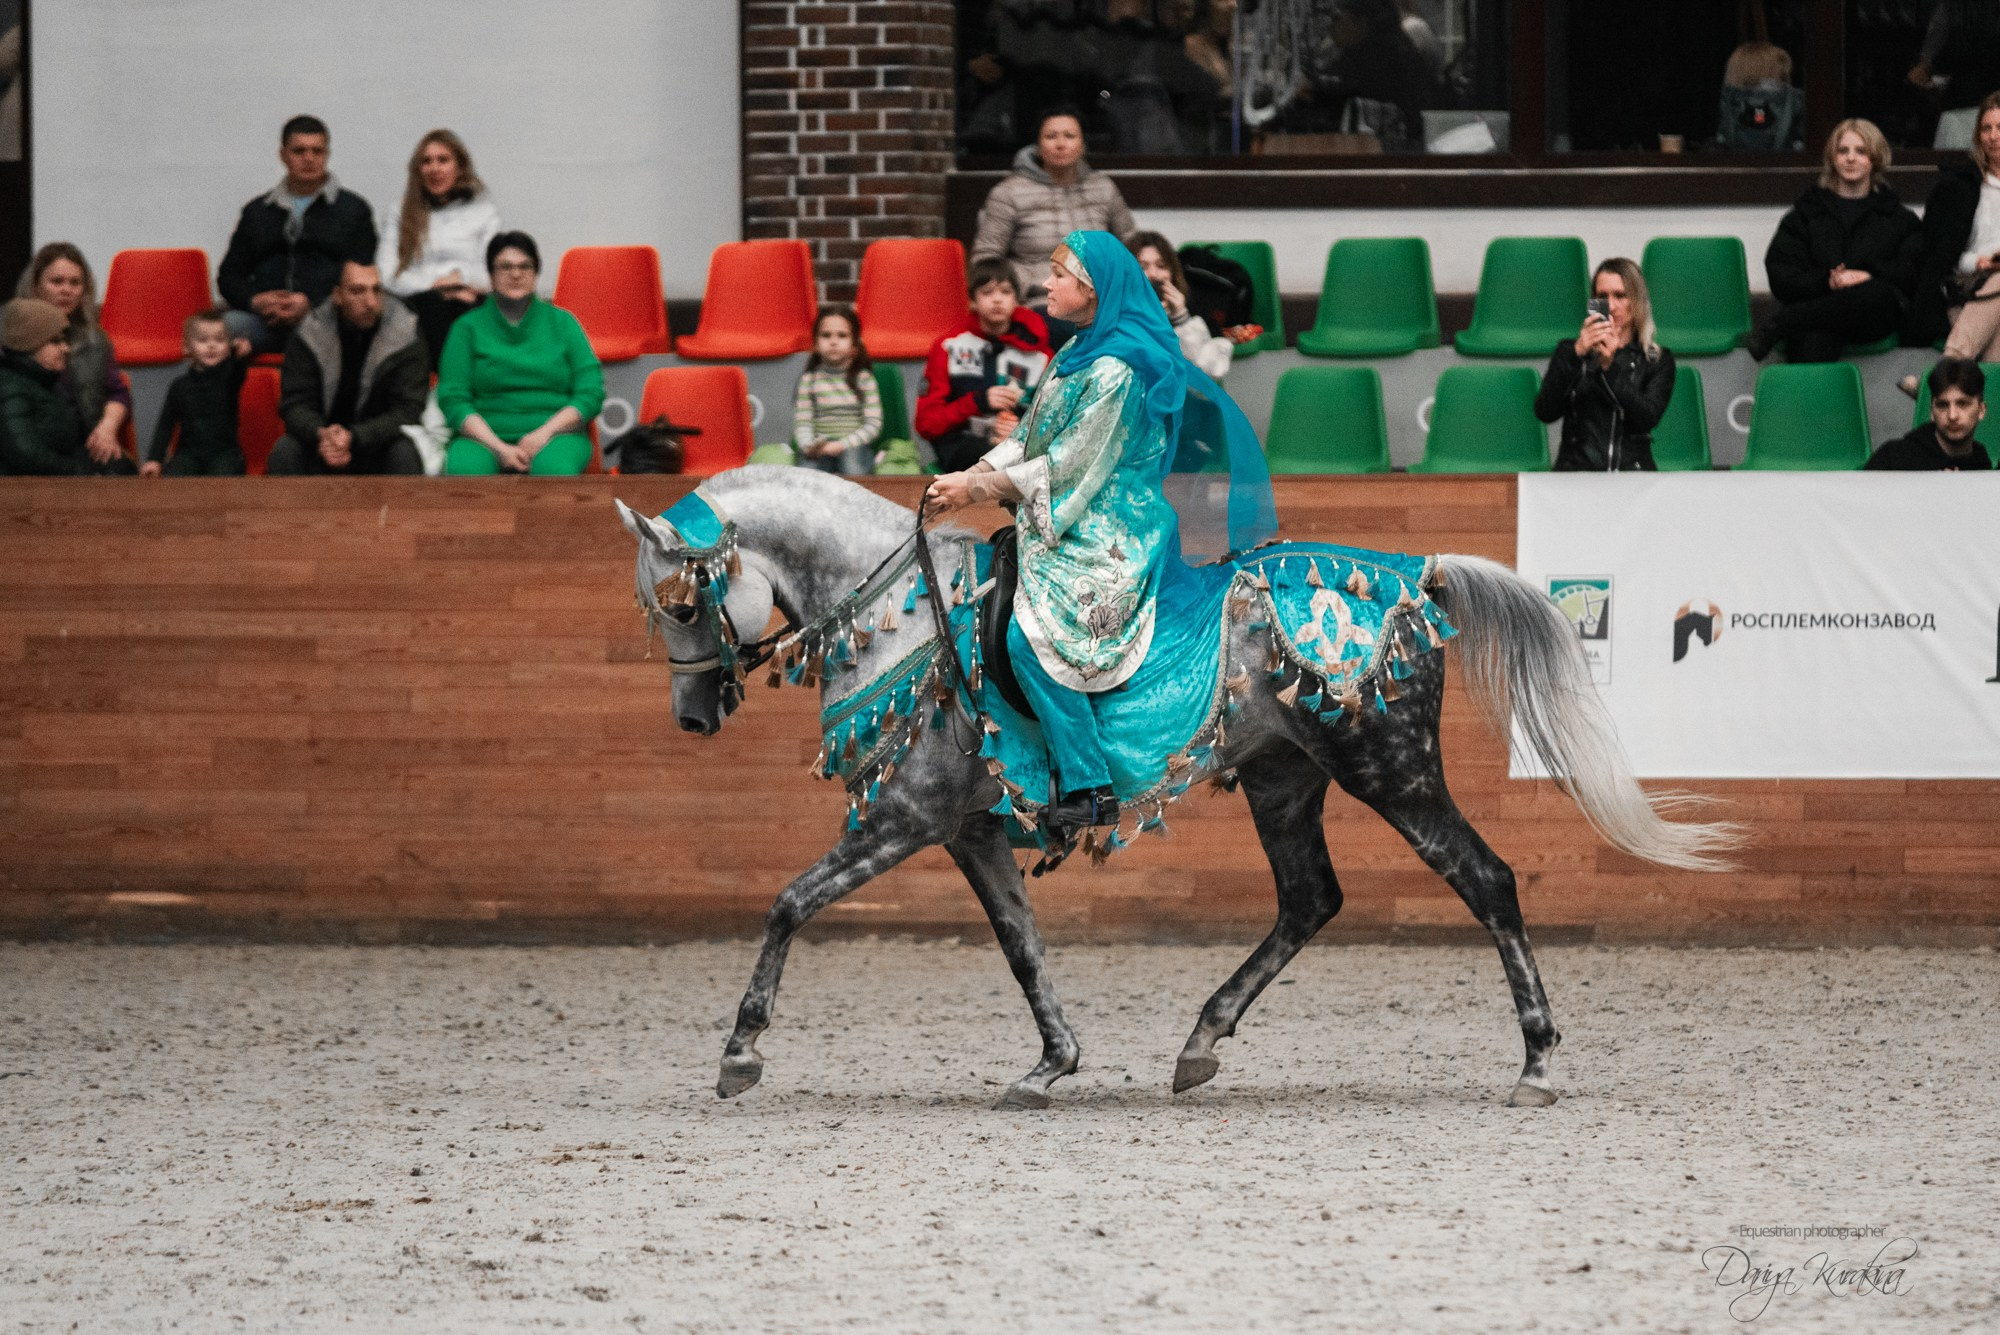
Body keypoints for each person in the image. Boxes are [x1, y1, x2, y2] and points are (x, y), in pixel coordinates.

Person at [922, 232, 1276, 840]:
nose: (1046, 286)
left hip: (1111, 524)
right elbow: (1032, 437)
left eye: (1058, 276)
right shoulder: (1078, 351)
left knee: (1030, 639)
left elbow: (1069, 466)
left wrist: (977, 493)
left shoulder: (1115, 368)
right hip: (1076, 510)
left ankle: (1088, 787)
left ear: (1093, 288)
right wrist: (970, 473)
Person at [1748, 119, 1921, 364]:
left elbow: (1912, 271)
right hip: (1819, 315)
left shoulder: (1899, 218)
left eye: (1861, 151)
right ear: (1833, 157)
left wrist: (1867, 275)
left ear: (1876, 158)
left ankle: (1786, 320)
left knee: (1878, 293)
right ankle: (1814, 402)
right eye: (1843, 151)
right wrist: (1827, 282)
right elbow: (1781, 273)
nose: (1851, 158)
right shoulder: (1806, 214)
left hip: (1871, 317)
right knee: (1813, 336)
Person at [437, 232, 603, 476]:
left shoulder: (563, 323)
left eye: (525, 266)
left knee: (554, 470)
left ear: (536, 273)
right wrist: (498, 448)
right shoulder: (466, 327)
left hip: (556, 435)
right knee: (464, 472)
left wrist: (542, 435)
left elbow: (591, 393)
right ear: (490, 274)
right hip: (482, 437)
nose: (516, 274)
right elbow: (453, 399)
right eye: (505, 267)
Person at [217, 115, 378, 353]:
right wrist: (256, 301)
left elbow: (364, 275)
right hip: (265, 320)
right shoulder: (258, 211)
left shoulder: (353, 210)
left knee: (359, 328)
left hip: (328, 321)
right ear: (283, 155)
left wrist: (311, 303)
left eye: (317, 151)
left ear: (327, 155)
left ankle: (289, 347)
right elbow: (229, 276)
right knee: (219, 330)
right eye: (299, 151)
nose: (309, 158)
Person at [265, 262, 427, 476]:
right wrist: (322, 434)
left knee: (404, 453)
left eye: (376, 290)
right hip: (320, 444)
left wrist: (355, 437)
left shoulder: (405, 333)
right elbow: (295, 404)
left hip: (377, 443)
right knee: (285, 451)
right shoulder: (310, 333)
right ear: (338, 295)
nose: (370, 302)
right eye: (357, 291)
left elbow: (408, 409)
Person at [971, 108, 1136, 308]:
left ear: (1083, 145)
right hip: (1039, 299)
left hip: (1099, 297)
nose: (1060, 144)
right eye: (1051, 137)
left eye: (1069, 136)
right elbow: (986, 258)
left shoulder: (1102, 187)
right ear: (1038, 147)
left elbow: (1132, 245)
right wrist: (1010, 294)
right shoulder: (1009, 192)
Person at [914, 257, 1056, 473]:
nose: (997, 300)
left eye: (1006, 292)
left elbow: (1053, 416)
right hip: (964, 448)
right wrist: (978, 401)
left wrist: (1018, 430)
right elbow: (927, 423)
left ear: (1017, 299)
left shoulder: (1039, 353)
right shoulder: (949, 347)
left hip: (1018, 446)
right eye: (987, 292)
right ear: (972, 300)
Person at [1534, 259, 1676, 472]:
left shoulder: (1655, 359)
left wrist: (1611, 367)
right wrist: (1576, 354)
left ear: (1637, 299)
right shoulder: (1570, 351)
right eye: (1602, 297)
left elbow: (1645, 419)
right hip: (1575, 475)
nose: (1612, 305)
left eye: (1620, 295)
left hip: (1631, 476)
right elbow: (1546, 411)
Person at [377, 128, 501, 368]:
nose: (435, 169)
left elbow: (493, 272)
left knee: (468, 310)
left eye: (443, 160)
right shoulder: (399, 212)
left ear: (459, 166)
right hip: (419, 307)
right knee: (435, 305)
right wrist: (439, 284)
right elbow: (386, 275)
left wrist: (461, 281)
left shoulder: (483, 212)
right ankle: (452, 383)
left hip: (469, 302)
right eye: (426, 161)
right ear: (418, 170)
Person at [1905, 94, 2000, 389]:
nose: (1994, 137)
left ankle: (1942, 377)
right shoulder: (1960, 186)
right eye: (1987, 129)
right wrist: (1978, 261)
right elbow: (1942, 253)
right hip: (1967, 288)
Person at [13, 242, 132, 467]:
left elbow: (118, 393)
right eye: (56, 282)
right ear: (36, 287)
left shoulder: (95, 340)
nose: (66, 290)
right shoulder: (14, 340)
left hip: (88, 443)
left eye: (75, 283)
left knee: (125, 474)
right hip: (35, 447)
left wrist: (107, 428)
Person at [0, 298, 137, 475]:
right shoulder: (9, 388)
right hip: (27, 493)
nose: (66, 348)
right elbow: (27, 456)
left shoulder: (47, 382)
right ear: (30, 347)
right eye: (55, 342)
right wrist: (83, 473)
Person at [142, 311, 251, 476]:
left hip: (224, 454)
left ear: (228, 347)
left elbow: (238, 370)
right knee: (174, 479)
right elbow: (165, 425)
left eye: (220, 340)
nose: (211, 346)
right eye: (202, 340)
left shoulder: (229, 379)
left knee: (223, 482)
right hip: (188, 453)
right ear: (187, 346)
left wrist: (240, 354)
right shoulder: (179, 386)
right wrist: (154, 459)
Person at [1126, 231, 1234, 380]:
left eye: (1161, 266)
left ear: (1172, 272)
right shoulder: (1113, 315)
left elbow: (1211, 371)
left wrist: (1181, 320)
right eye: (1143, 267)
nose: (1154, 274)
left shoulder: (1194, 309)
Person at [791, 307, 882, 476]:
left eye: (842, 335)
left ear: (855, 345)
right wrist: (808, 446)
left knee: (852, 468)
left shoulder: (864, 379)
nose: (833, 341)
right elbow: (803, 423)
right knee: (806, 475)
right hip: (819, 445)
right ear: (816, 344)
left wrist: (842, 445)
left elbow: (873, 425)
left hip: (853, 445)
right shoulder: (809, 380)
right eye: (826, 335)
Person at [1866, 358, 1993, 470]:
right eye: (1942, 405)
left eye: (1962, 404)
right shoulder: (1893, 458)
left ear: (1981, 410)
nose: (1952, 415)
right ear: (1932, 411)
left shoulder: (1980, 462)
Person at [1909, 0, 2000, 149]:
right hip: (1963, 105)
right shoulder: (1953, 8)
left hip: (1961, 104)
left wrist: (1927, 67)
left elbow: (1925, 66)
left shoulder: (1953, 8)